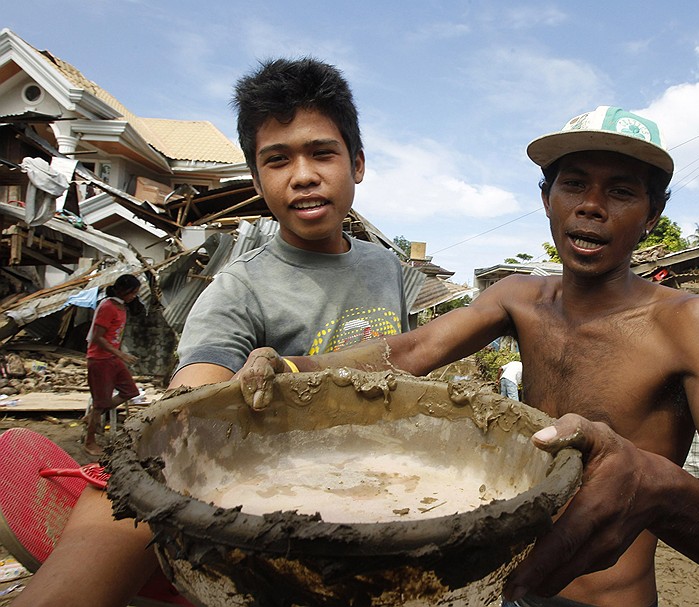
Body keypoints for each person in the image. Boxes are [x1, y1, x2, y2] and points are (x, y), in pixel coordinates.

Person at [241, 105, 699, 607]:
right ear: (545, 199)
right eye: (574, 184)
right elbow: (413, 349)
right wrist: (292, 368)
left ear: (652, 215)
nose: (591, 206)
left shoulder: (693, 323)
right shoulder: (520, 298)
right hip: (502, 590)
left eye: (622, 192)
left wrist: (657, 486)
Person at [12, 56, 409, 607]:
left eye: (322, 152)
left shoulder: (385, 266)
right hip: (277, 492)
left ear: (357, 163)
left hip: (389, 484)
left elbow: (409, 356)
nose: (303, 175)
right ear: (257, 178)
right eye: (277, 160)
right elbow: (192, 400)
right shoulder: (237, 290)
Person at [83, 273, 141, 457]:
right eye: (133, 293)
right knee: (100, 404)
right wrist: (120, 354)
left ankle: (93, 415)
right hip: (100, 360)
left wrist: (117, 354)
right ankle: (89, 442)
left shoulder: (121, 307)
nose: (134, 296)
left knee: (131, 392)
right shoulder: (107, 307)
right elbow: (97, 337)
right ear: (124, 291)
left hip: (112, 359)